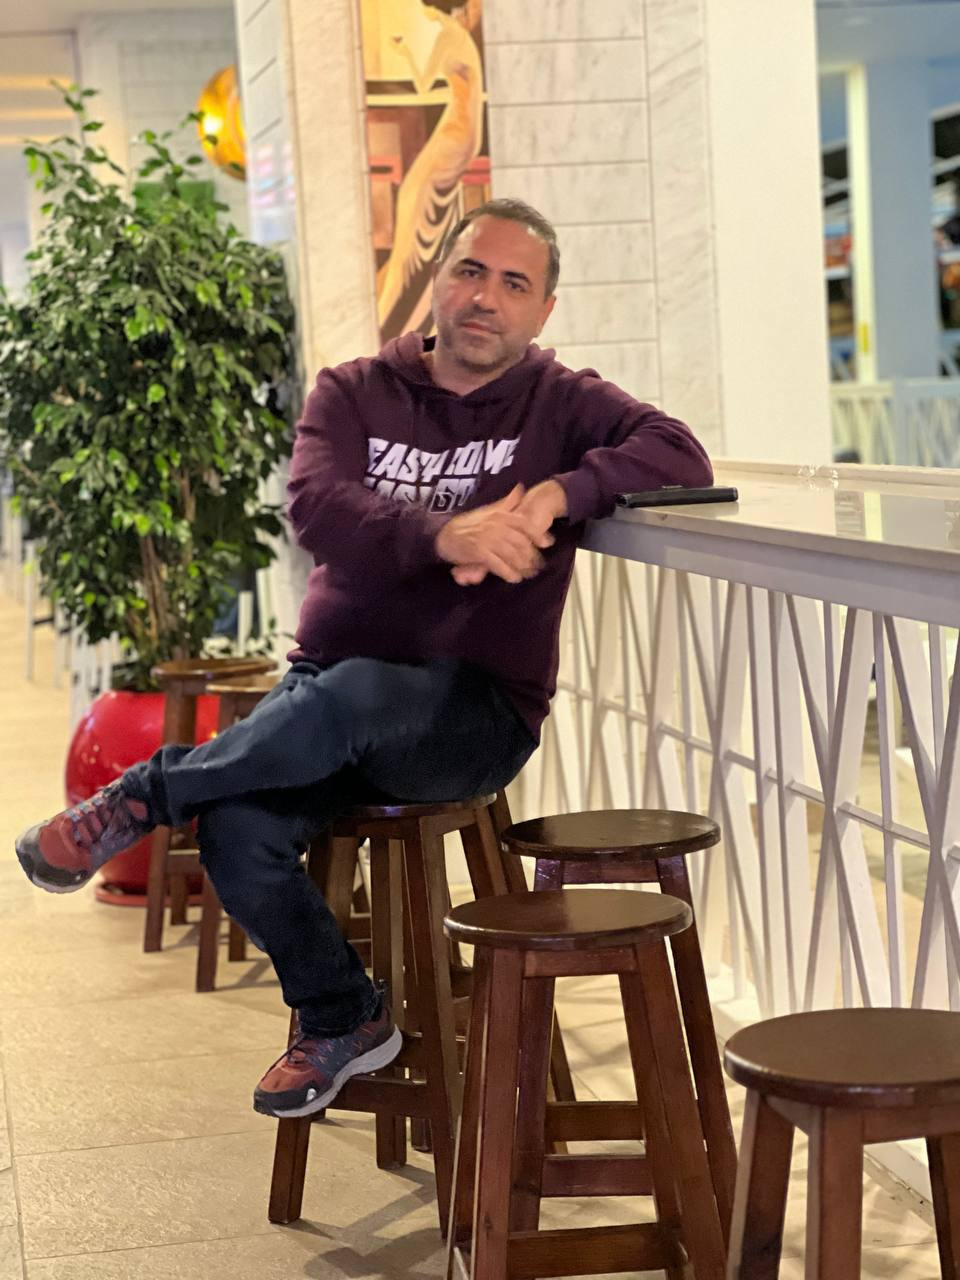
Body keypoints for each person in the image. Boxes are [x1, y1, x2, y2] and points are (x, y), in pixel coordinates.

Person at [15, 198, 712, 1120]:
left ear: (543, 310)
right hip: (324, 701)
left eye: (515, 284)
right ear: (437, 278)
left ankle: (148, 793)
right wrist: (445, 535)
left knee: (339, 703)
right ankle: (342, 1014)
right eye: (470, 271)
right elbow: (316, 507)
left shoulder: (561, 401)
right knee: (240, 829)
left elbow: (680, 454)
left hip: (471, 714)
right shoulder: (351, 392)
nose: (486, 297)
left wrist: (557, 493)